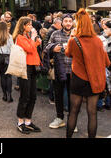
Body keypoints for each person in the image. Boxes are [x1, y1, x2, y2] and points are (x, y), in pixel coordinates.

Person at [65, 9, 110, 138]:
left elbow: (68, 53)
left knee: (73, 111)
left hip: (78, 78)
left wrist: (71, 36)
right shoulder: (97, 40)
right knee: (92, 113)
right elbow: (106, 61)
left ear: (78, 24)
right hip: (94, 80)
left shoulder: (74, 40)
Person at [45, 14, 75, 130]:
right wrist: (53, 48)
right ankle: (59, 118)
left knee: (73, 97)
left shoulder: (76, 34)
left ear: (72, 23)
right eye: (66, 21)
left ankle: (73, 120)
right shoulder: (55, 34)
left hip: (74, 70)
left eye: (70, 21)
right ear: (62, 23)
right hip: (59, 69)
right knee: (58, 95)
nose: (68, 23)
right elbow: (46, 47)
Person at [13, 16, 42, 134]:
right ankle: (20, 122)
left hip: (32, 67)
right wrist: (35, 41)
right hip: (24, 68)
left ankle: (28, 121)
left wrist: (35, 42)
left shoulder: (28, 36)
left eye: (31, 24)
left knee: (33, 96)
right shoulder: (19, 37)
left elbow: (33, 50)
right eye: (29, 25)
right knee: (25, 96)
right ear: (23, 26)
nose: (31, 27)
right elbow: (30, 49)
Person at [0, 21, 14, 102]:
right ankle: (9, 95)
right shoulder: (9, 36)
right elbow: (12, 48)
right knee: (9, 76)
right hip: (8, 57)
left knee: (2, 76)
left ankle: (4, 95)